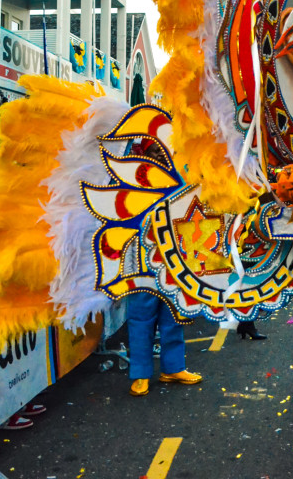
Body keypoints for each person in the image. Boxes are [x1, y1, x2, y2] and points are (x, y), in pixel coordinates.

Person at [126, 138, 202, 396]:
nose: (160, 154)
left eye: (163, 149)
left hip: (174, 260)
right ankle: (140, 374)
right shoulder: (132, 179)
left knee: (174, 316)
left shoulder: (179, 177)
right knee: (141, 319)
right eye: (154, 150)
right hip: (141, 263)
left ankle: (173, 367)